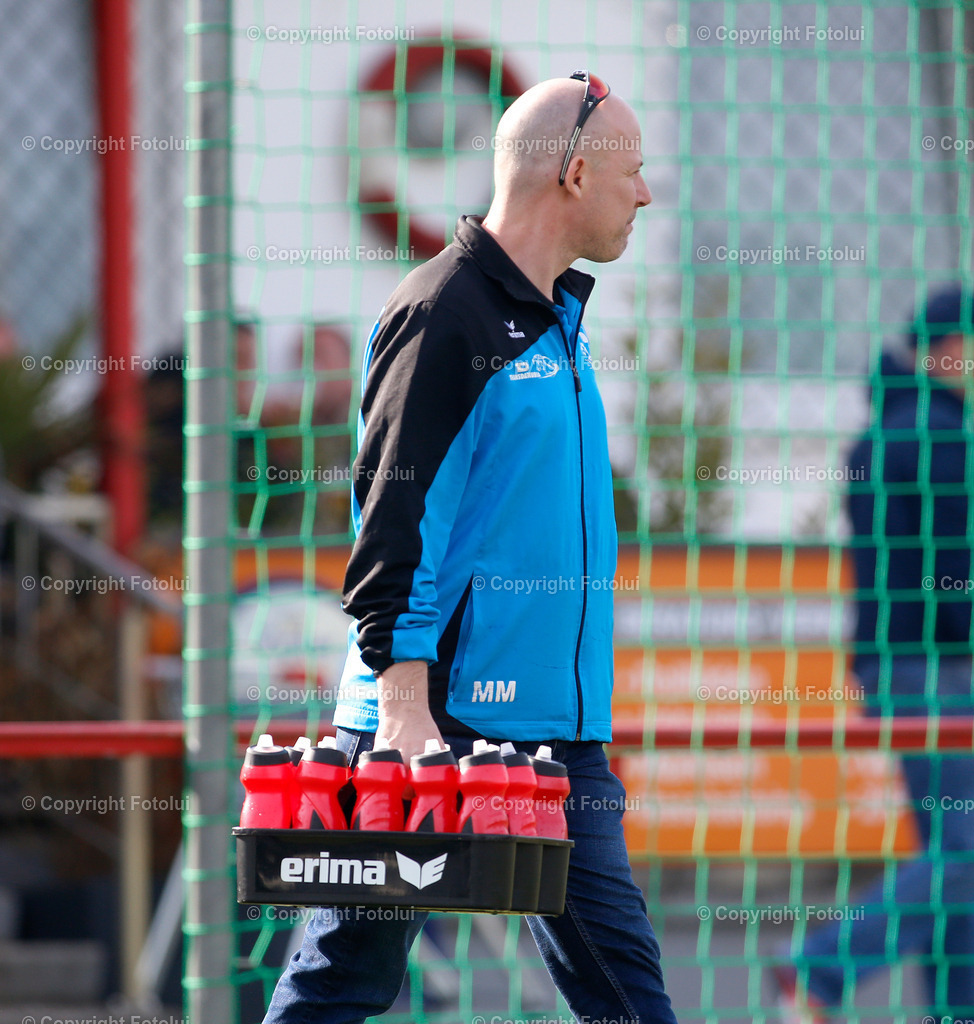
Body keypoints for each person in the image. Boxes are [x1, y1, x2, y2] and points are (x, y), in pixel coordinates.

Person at [261, 72, 675, 1023]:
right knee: (342, 981)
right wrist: (406, 712)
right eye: (634, 172)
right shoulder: (444, 312)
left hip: (554, 741)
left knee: (625, 989)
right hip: (437, 726)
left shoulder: (553, 321)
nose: (645, 194)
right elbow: (392, 523)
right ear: (574, 173)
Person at [775, 285, 974, 1024]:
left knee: (956, 852)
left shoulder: (882, 432)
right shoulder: (944, 435)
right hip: (942, 669)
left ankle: (958, 1012)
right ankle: (818, 969)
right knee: (971, 856)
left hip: (891, 668)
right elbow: (970, 571)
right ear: (948, 348)